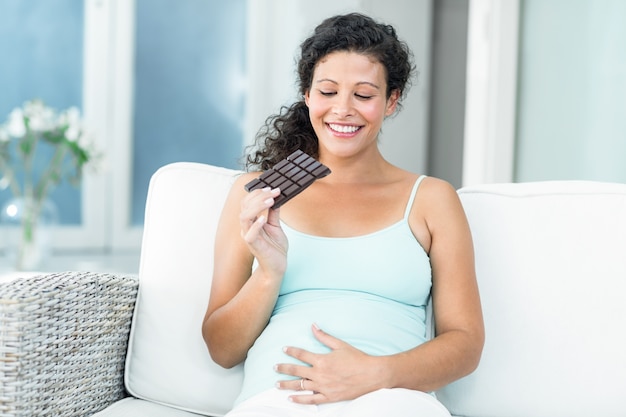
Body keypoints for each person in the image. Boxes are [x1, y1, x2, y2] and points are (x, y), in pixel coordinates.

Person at [202, 12, 484, 417]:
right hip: (276, 402)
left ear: (391, 101)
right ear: (307, 94)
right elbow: (221, 349)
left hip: (392, 401)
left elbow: (466, 343)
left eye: (364, 95)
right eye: (328, 91)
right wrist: (268, 273)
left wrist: (377, 373)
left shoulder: (431, 200)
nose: (343, 110)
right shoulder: (259, 196)